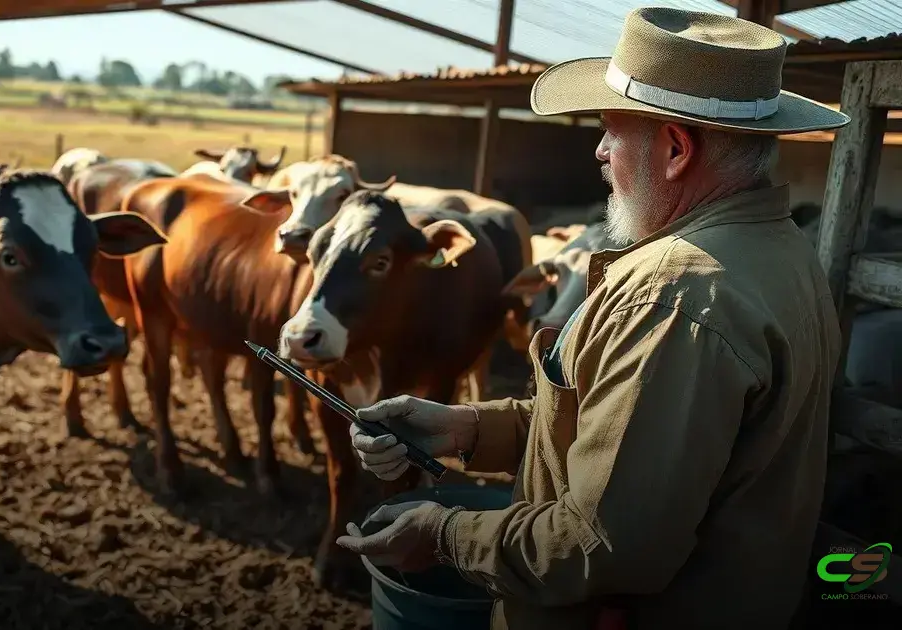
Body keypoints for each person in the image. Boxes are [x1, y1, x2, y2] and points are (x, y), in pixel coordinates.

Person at [335, 7, 850, 630]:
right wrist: (467, 428)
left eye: (611, 130)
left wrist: (444, 534)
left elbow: (602, 546)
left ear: (677, 149)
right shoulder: (782, 250)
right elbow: (622, 433)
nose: (600, 152)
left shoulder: (672, 297)